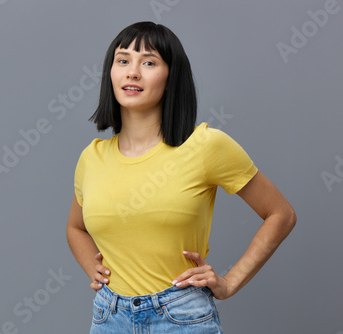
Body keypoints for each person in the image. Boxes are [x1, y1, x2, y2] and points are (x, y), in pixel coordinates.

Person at [66, 21, 296, 333]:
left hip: (181, 318)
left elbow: (280, 213)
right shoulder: (91, 158)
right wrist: (94, 270)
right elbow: (75, 228)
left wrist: (228, 283)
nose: (132, 72)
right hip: (110, 318)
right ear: (111, 72)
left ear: (171, 77)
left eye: (148, 62)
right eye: (123, 60)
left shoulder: (205, 146)